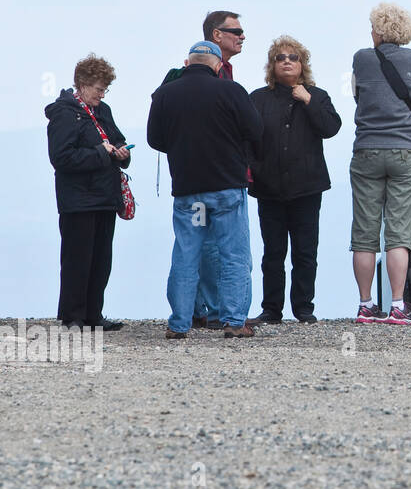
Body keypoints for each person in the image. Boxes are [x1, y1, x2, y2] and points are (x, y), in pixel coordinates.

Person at [147, 41, 263, 339]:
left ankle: (179, 324)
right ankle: (234, 322)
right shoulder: (231, 91)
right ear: (216, 66)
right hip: (226, 189)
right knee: (233, 254)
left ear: (187, 63)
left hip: (188, 192)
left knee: (187, 254)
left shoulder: (165, 94)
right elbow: (255, 130)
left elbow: (154, 139)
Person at [248, 36, 342, 324]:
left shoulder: (319, 95)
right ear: (272, 65)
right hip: (269, 187)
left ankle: (304, 308)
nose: (286, 61)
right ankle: (271, 309)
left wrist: (309, 100)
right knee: (272, 253)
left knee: (305, 252)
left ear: (303, 65)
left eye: (293, 57)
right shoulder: (258, 98)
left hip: (307, 187)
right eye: (280, 57)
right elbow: (247, 137)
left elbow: (331, 127)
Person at [350, 3, 411, 326]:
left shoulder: (362, 58)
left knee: (364, 233)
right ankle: (398, 305)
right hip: (406, 151)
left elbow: (360, 95)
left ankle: (365, 305)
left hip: (368, 148)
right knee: (399, 232)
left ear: (379, 31)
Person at [45, 54, 130, 331]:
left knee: (101, 260)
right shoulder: (65, 113)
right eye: (98, 89)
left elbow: (117, 139)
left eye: (105, 89)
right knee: (77, 259)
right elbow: (62, 157)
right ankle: (72, 317)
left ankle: (93, 315)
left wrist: (120, 152)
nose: (102, 94)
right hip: (78, 200)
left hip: (105, 197)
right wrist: (100, 153)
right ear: (82, 84)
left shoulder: (102, 111)